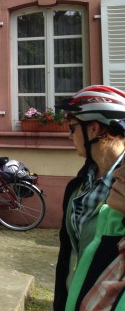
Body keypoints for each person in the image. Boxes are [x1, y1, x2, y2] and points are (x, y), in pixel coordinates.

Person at [53, 85, 125, 310]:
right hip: (74, 298)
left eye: (72, 127)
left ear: (93, 129)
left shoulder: (122, 191)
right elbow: (68, 254)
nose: (69, 135)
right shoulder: (79, 184)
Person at [65, 153, 125, 310]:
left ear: (94, 130)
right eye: (123, 163)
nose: (117, 174)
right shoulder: (113, 232)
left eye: (73, 128)